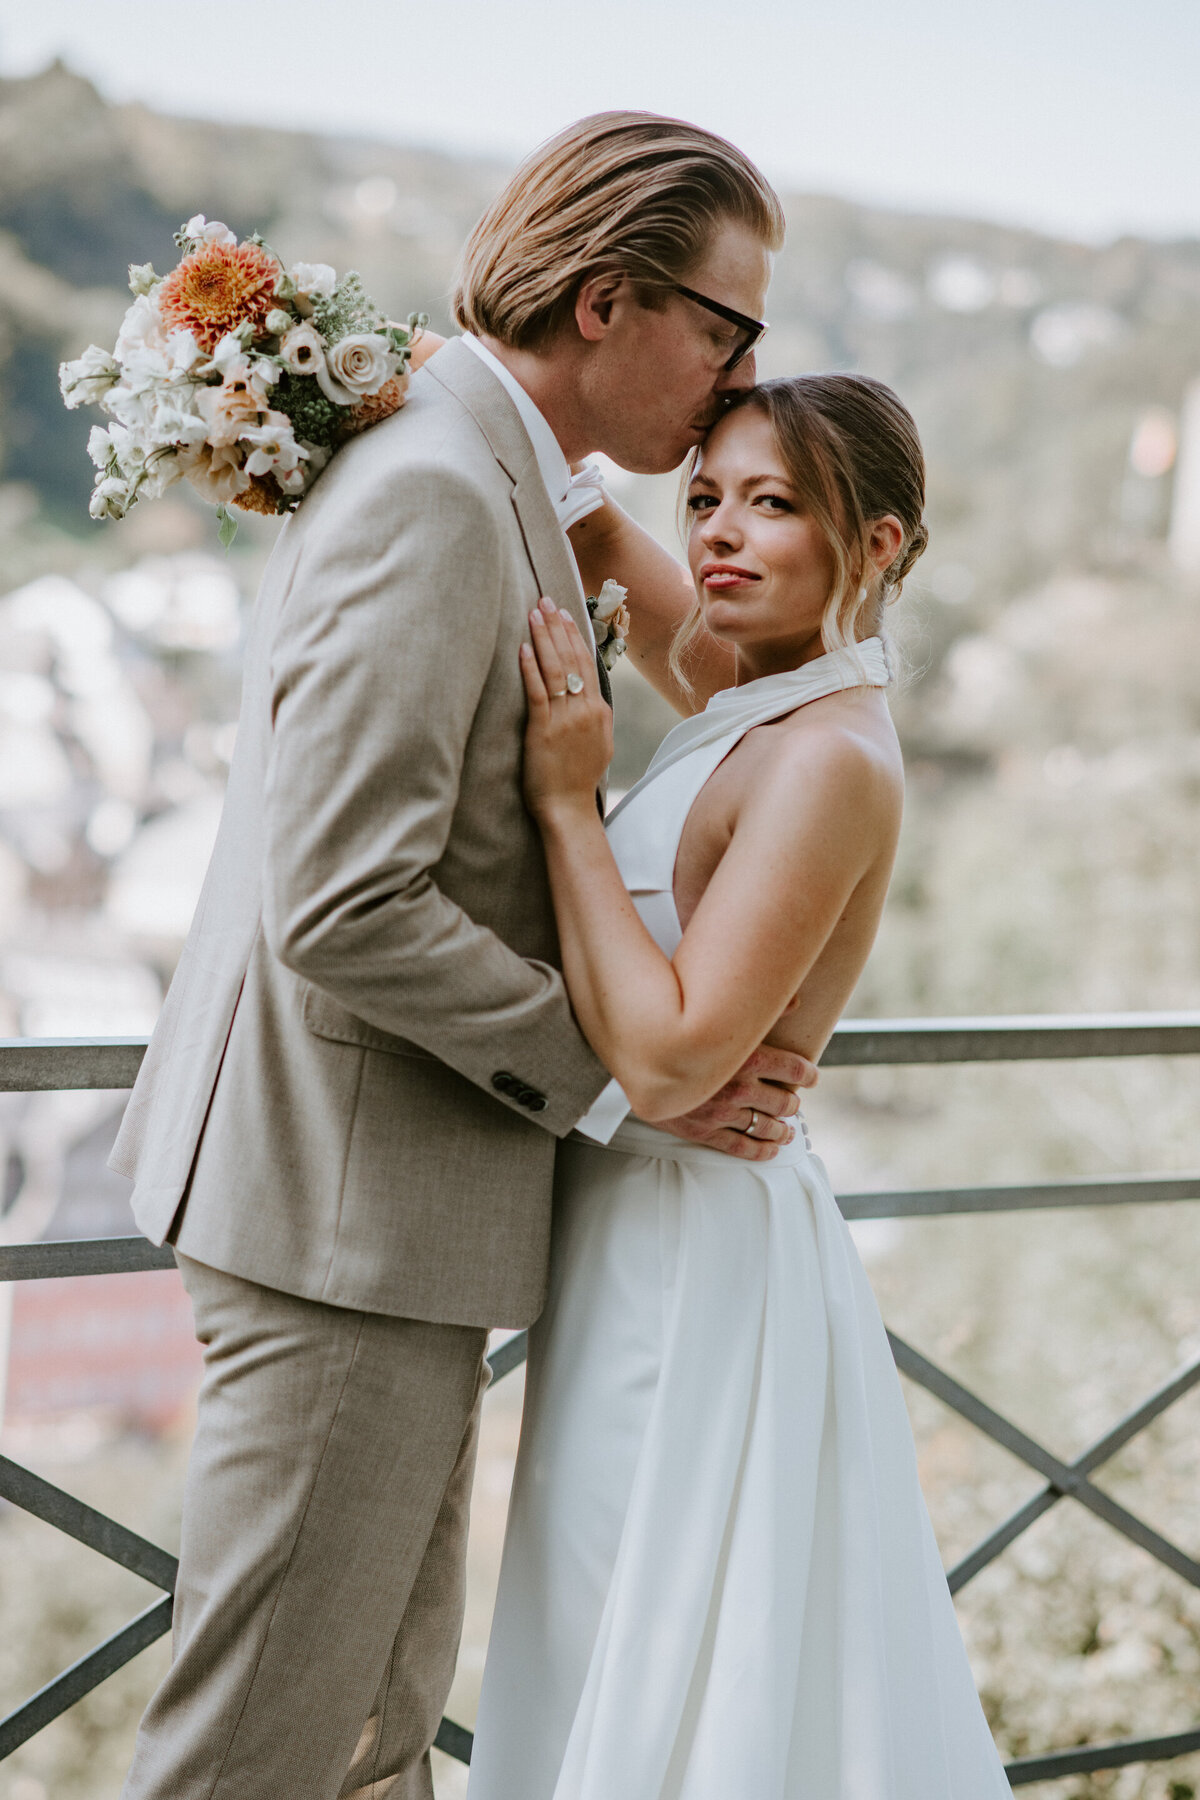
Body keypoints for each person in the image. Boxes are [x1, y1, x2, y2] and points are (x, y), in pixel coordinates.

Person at [110, 113, 816, 1800]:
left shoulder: (476, 454)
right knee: (258, 1754)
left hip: (382, 1223)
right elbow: (343, 899)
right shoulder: (435, 485)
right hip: (340, 1229)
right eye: (727, 328)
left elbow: (728, 675)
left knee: (371, 1740)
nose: (731, 383)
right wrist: (631, 1087)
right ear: (605, 303)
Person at [465, 375, 1013, 1798]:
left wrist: (566, 802)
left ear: (877, 545)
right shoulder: (752, 696)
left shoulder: (828, 757)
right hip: (628, 1238)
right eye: (705, 496)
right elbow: (593, 540)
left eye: (774, 505)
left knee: (650, 1670)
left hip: (688, 1268)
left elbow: (666, 1057)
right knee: (598, 1649)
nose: (718, 533)